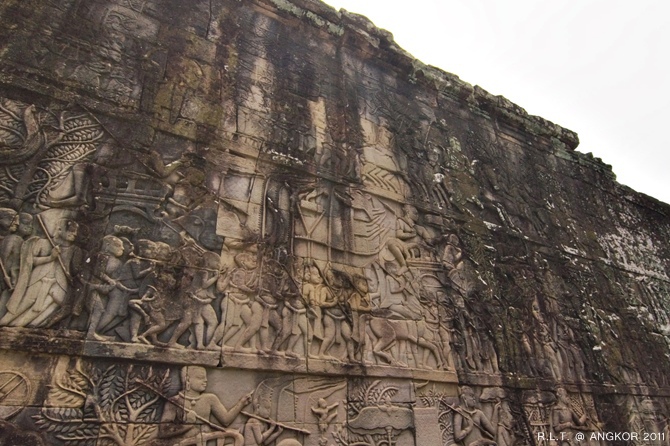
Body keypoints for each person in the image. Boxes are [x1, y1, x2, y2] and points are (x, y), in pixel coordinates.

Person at [158, 366, 253, 446]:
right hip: (187, 442)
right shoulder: (175, 401)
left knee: (237, 439)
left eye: (205, 377)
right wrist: (189, 424)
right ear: (188, 380)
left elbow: (226, 420)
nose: (205, 381)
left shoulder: (210, 398)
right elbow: (163, 431)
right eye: (200, 377)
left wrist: (241, 403)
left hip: (208, 440)